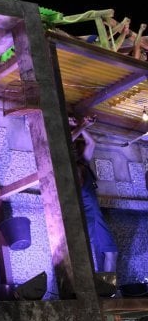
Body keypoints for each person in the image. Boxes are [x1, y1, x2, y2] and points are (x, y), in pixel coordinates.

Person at [68, 114, 118, 273]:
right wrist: (80, 125)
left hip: (95, 212)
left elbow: (91, 143)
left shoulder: (82, 163)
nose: (74, 149)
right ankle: (95, 289)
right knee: (87, 252)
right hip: (83, 212)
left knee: (111, 252)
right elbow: (63, 143)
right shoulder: (66, 167)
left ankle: (109, 290)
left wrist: (83, 127)